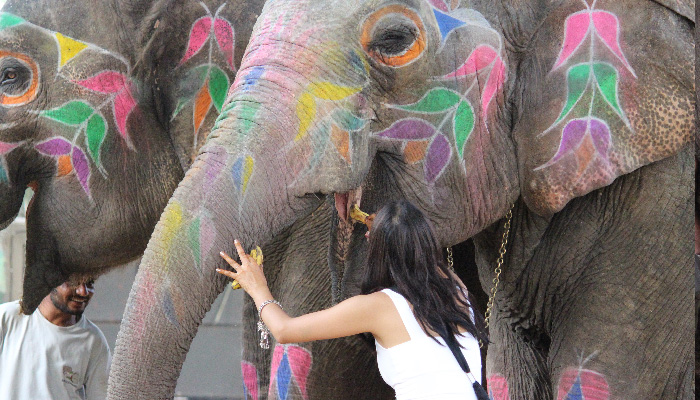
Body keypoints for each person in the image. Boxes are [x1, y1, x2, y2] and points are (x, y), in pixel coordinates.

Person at [218, 199, 489, 400]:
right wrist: (391, 228)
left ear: (377, 247)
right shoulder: (454, 288)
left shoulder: (378, 307)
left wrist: (257, 286)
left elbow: (285, 330)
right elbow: (417, 251)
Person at [0, 276, 111, 400]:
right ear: (49, 280)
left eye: (90, 283)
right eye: (74, 282)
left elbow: (101, 395)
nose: (83, 292)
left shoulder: (94, 340)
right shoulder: (6, 318)